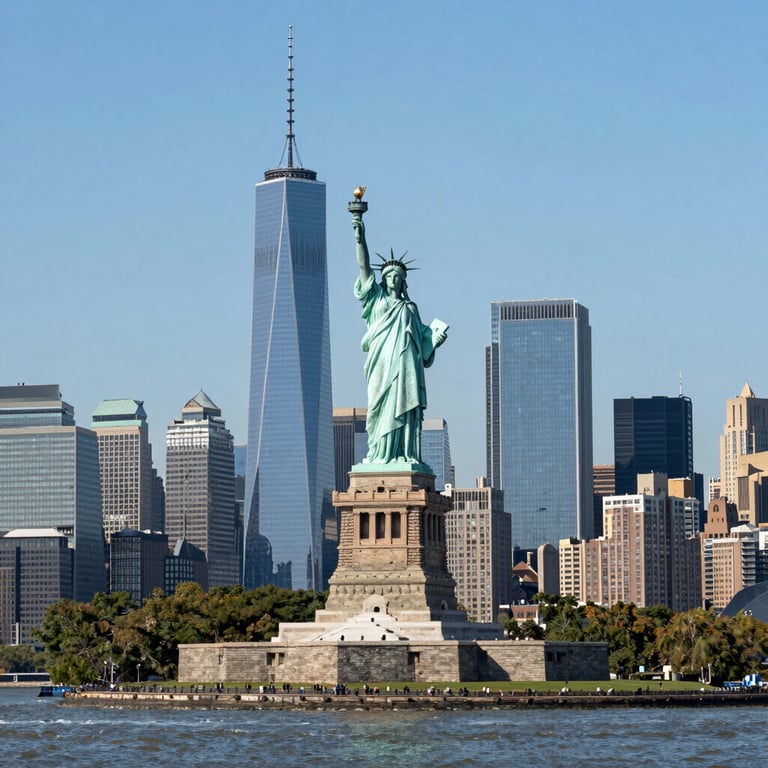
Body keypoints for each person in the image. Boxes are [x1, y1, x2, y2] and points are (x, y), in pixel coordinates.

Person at [352, 213, 447, 464]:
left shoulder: (410, 308)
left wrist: (435, 341)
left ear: (403, 281)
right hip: (381, 365)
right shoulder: (376, 301)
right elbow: (363, 267)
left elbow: (423, 344)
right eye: (389, 275)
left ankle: (404, 454)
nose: (393, 278)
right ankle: (379, 454)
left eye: (397, 275)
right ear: (383, 279)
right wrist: (359, 235)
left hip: (406, 367)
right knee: (378, 408)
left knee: (406, 409)